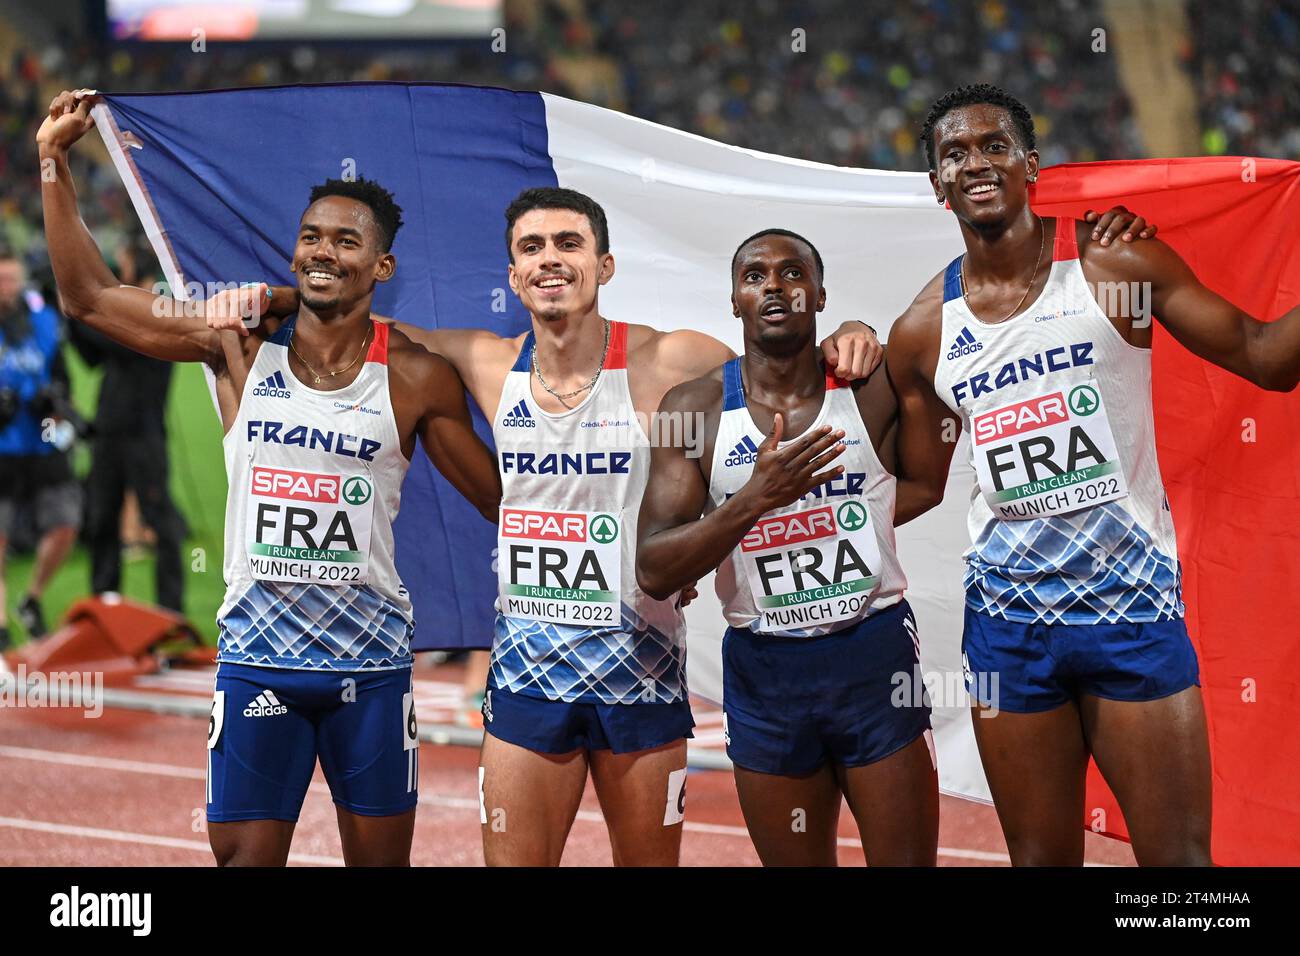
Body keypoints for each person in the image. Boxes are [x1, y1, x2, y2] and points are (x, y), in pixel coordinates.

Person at [232, 186, 884, 866]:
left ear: (604, 266)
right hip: (526, 681)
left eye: (569, 244)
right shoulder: (488, 362)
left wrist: (851, 334)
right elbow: (349, 320)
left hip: (642, 672)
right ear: (513, 275)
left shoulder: (671, 360)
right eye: (531, 248)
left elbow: (782, 361)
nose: (550, 260)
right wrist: (280, 299)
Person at [39, 89, 501, 866]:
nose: (324, 251)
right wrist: (54, 164)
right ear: (293, 253)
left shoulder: (417, 378)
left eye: (346, 242)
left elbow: (501, 505)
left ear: (381, 264)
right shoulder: (236, 344)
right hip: (258, 661)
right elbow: (88, 298)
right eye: (311, 237)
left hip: (372, 671)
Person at [886, 83, 1300, 866]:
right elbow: (915, 484)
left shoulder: (1114, 261)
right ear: (937, 186)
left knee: (1179, 870)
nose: (975, 162)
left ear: (1030, 165)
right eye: (954, 154)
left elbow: (1263, 355)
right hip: (1007, 632)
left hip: (1131, 613)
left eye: (993, 146)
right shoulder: (922, 331)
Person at [636, 228, 938, 865]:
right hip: (766, 667)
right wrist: (756, 498)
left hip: (873, 653)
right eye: (755, 276)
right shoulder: (691, 408)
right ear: (735, 301)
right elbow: (655, 568)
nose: (774, 286)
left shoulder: (869, 385)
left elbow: (928, 485)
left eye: (792, 272)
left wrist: (847, 518)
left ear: (820, 294)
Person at [67, 241, 186, 612]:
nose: (119, 270)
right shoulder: (127, 311)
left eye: (123, 262)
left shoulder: (158, 314)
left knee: (160, 522)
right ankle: (105, 606)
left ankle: (171, 614)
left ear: (139, 268)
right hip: (108, 434)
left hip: (143, 435)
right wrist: (72, 316)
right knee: (102, 519)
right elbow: (92, 357)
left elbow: (118, 342)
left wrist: (78, 309)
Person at [0, 245, 81, 645]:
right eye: (1, 280)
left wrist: (56, 402)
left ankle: (30, 599)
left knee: (65, 524)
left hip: (44, 441)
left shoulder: (43, 321)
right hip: (3, 449)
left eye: (12, 279)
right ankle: (0, 628)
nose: (7, 288)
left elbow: (64, 379)